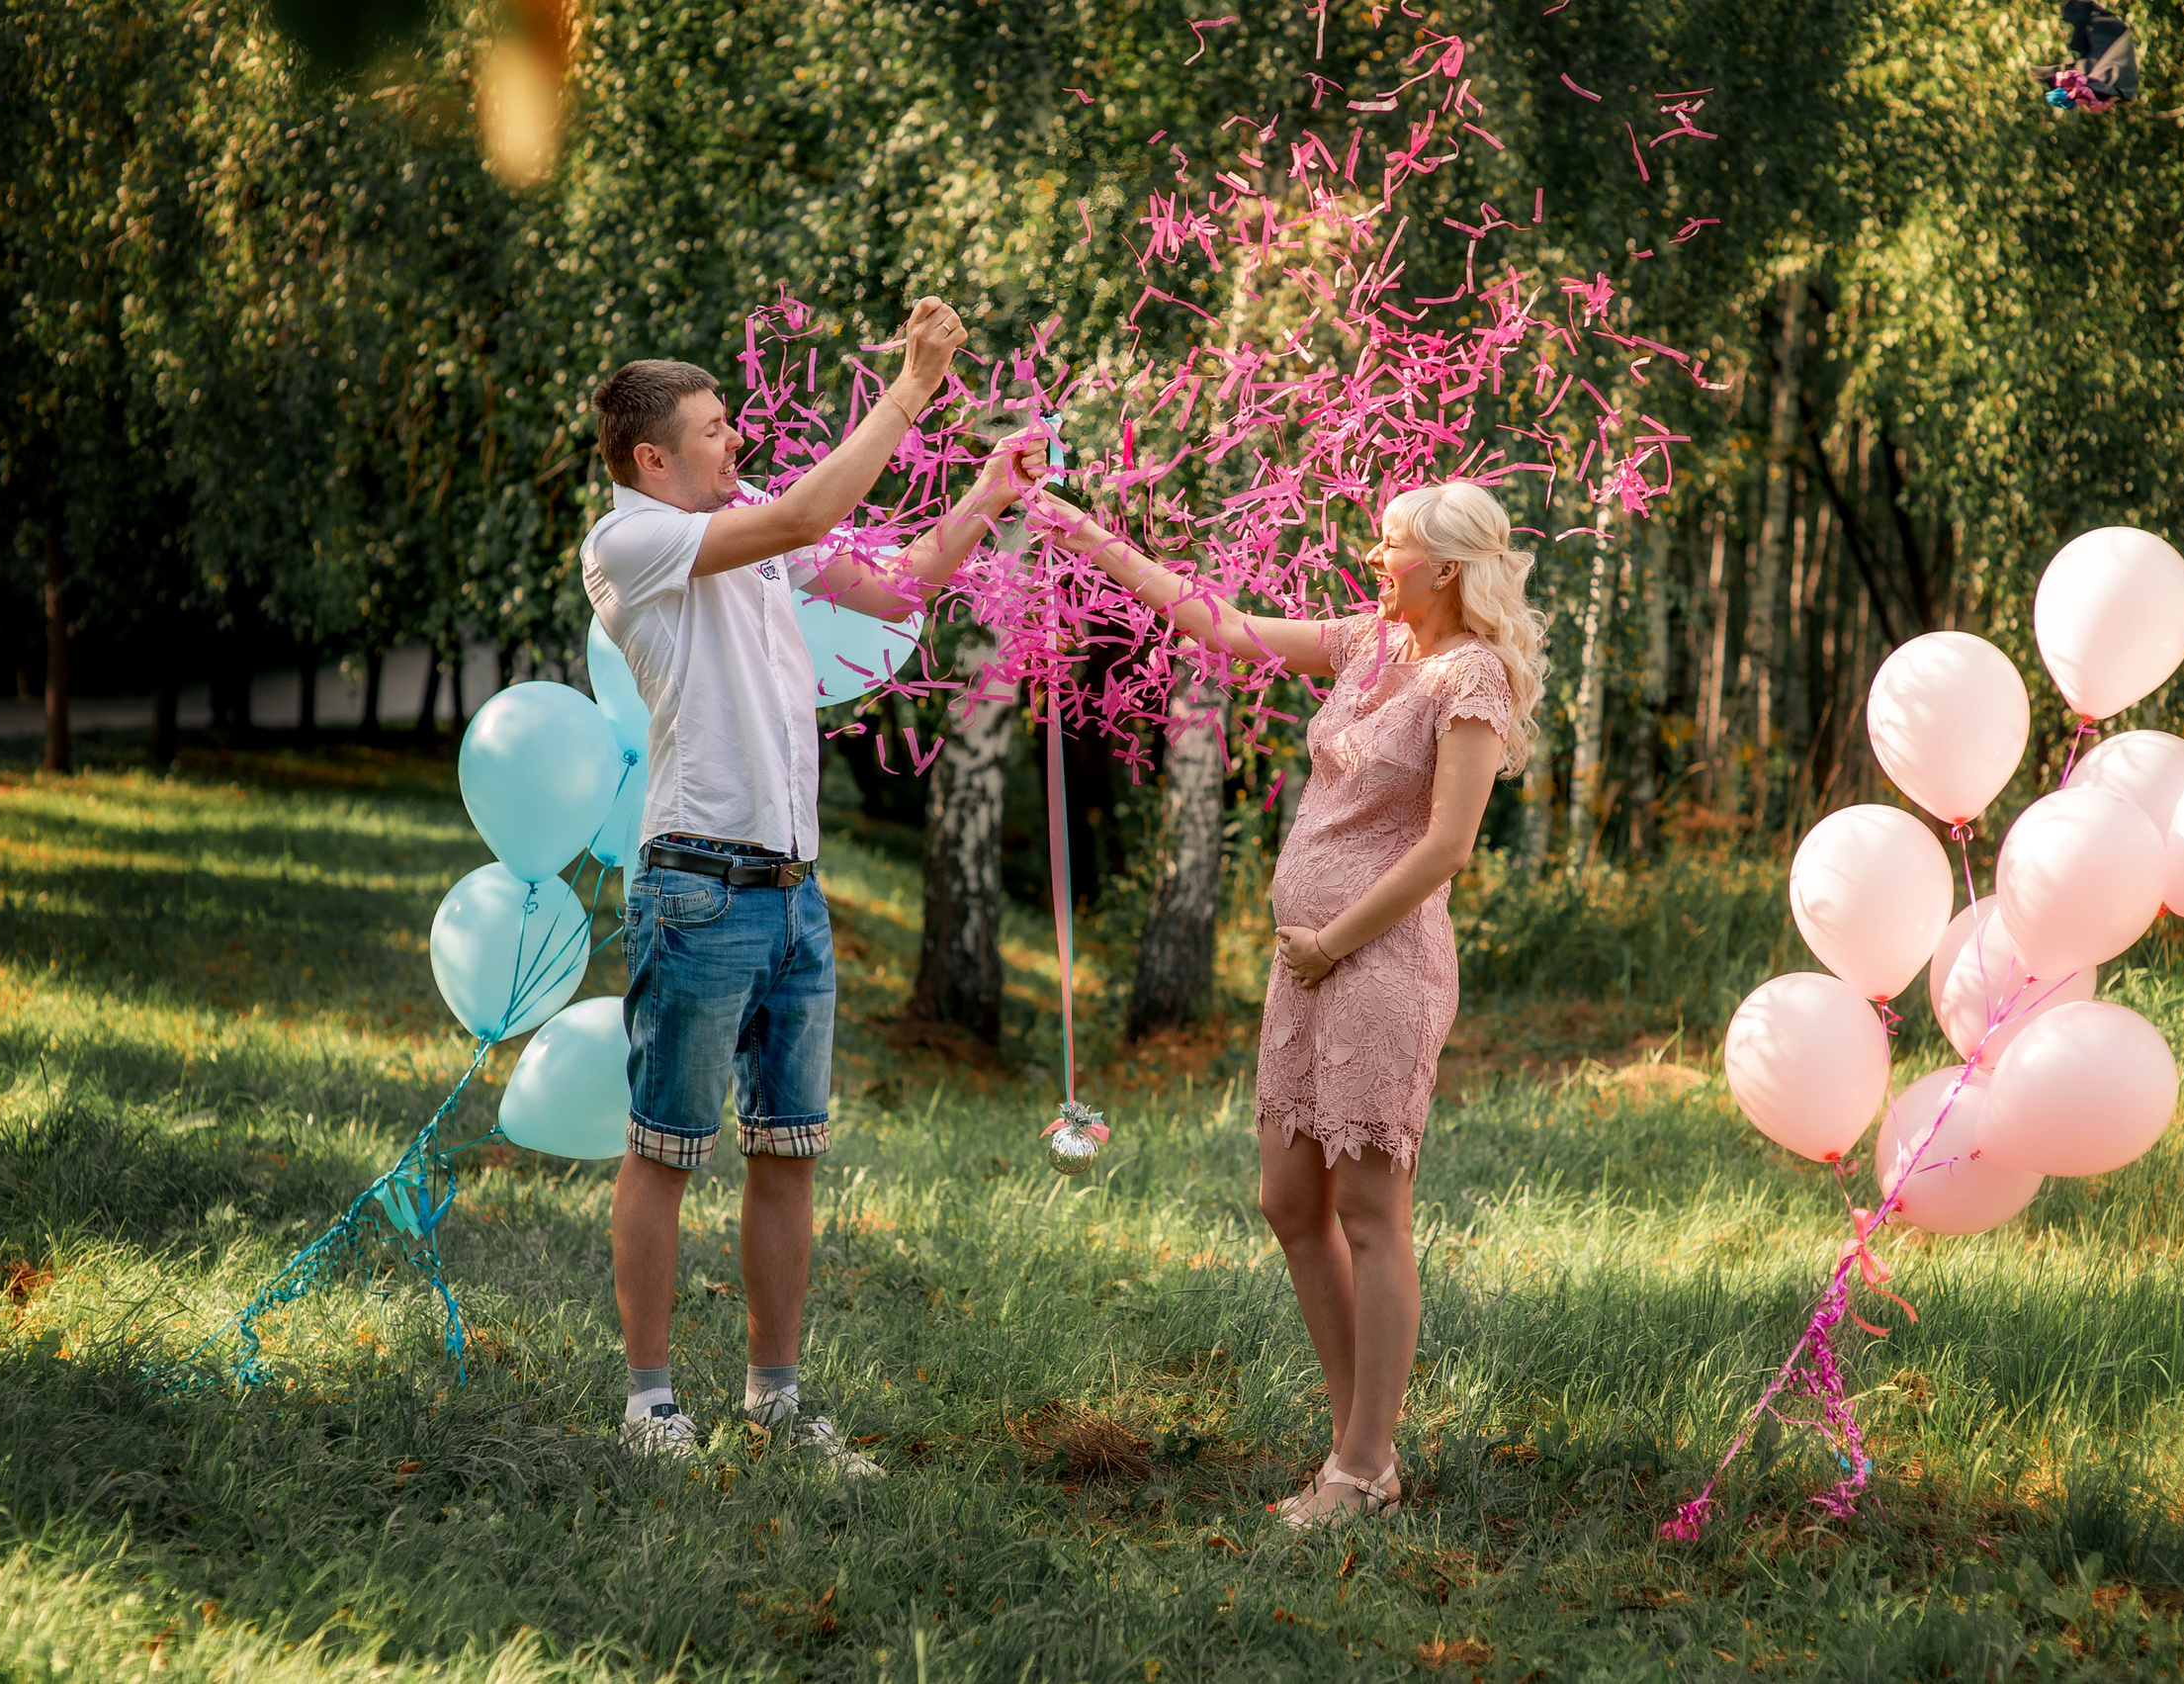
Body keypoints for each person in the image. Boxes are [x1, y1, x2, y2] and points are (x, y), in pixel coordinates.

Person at [1034, 481, 1546, 1525]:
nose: (1374, 554)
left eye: (1392, 544)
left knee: (1368, 1210)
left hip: (1378, 959)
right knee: (1286, 1198)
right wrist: (1093, 542)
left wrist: (1334, 939)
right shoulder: (1366, 642)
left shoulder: (1471, 675)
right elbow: (1220, 625)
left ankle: (1359, 1469)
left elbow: (1445, 844)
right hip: (1306, 962)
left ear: (1446, 568)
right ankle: (1360, 1441)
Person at [582, 301, 1039, 1464]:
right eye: (714, 428)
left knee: (788, 1147)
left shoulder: (743, 523)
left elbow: (899, 587)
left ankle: (773, 1401)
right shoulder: (632, 542)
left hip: (794, 892)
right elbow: (811, 505)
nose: (734, 440)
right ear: (651, 458)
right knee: (666, 1146)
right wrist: (912, 390)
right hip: (697, 885)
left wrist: (985, 494)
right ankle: (649, 1403)